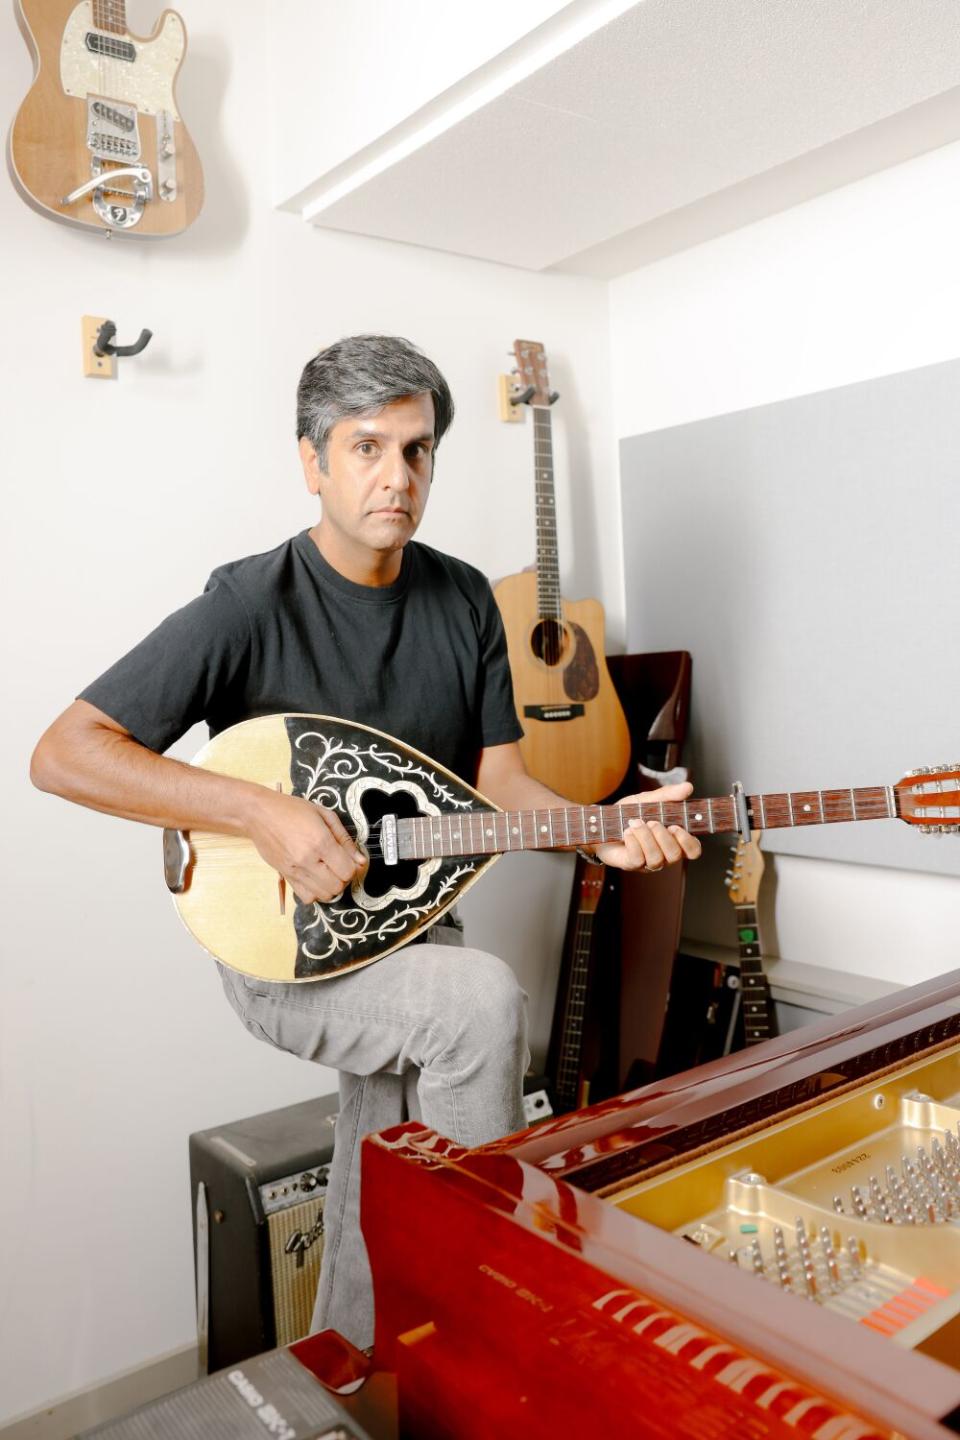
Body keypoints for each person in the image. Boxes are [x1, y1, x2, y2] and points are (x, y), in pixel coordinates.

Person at [30, 334, 701, 1351]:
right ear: (313, 461)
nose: (397, 475)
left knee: (384, 1134)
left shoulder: (466, 597)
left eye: (418, 450)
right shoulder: (247, 604)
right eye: (365, 447)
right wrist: (262, 811)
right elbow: (64, 752)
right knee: (475, 1002)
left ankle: (352, 1357)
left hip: (409, 926)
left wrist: (599, 830)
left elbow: (499, 785)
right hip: (286, 954)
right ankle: (487, 1321)